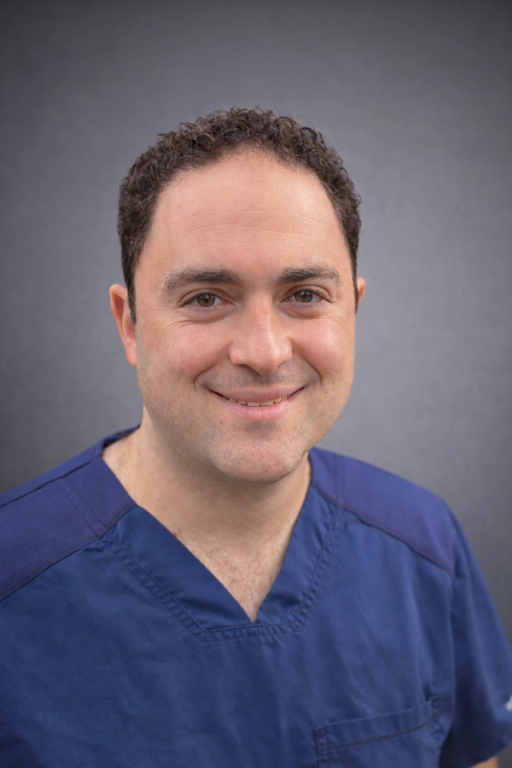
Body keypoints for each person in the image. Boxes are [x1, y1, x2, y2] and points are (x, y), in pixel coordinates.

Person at [0, 108, 511, 768]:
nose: (265, 352)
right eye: (206, 298)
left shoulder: (424, 546)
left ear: (352, 307)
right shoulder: (15, 577)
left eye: (303, 293)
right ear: (129, 324)